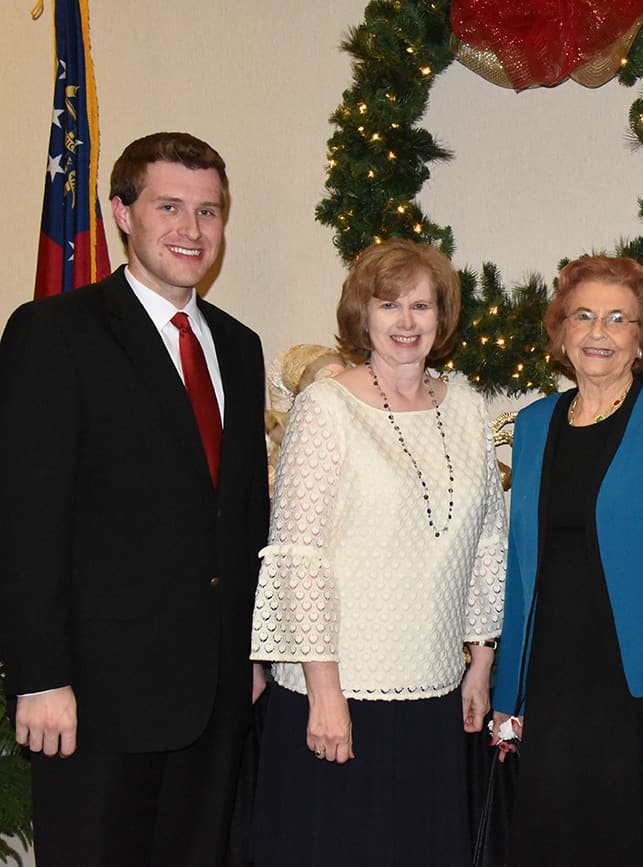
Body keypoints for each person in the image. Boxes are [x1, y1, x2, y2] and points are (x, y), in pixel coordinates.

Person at [0, 132, 269, 866]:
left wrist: (253, 650)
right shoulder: (55, 333)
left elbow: (243, 513)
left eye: (209, 212)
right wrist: (39, 676)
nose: (192, 230)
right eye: (170, 207)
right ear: (121, 212)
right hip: (95, 697)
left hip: (214, 695)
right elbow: (26, 520)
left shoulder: (239, 348)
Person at [249, 238, 507, 866]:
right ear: (361, 315)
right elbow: (296, 558)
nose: (406, 322)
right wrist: (324, 693)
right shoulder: (326, 408)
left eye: (422, 306)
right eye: (389, 305)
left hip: (435, 694)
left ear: (441, 317)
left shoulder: (470, 409)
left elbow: (487, 546)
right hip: (339, 690)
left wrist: (480, 663)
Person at [490, 255, 643, 866]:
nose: (598, 332)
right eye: (584, 316)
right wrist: (508, 696)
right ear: (561, 331)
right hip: (553, 686)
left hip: (640, 688)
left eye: (618, 319)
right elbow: (524, 572)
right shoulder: (534, 423)